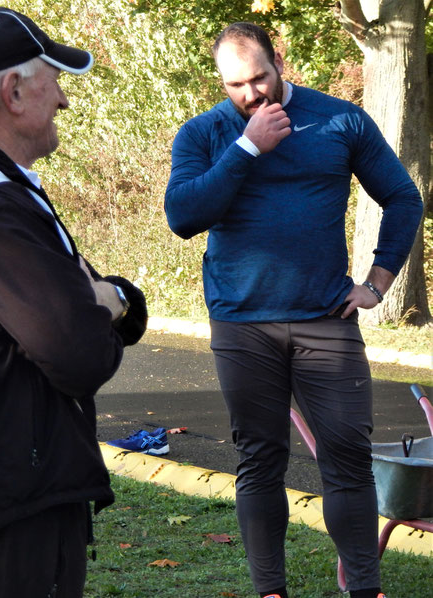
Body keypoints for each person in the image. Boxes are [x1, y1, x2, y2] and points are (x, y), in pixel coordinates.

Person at [165, 22, 423, 598]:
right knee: (260, 461)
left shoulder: (341, 120)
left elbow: (404, 197)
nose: (252, 93)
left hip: (326, 322)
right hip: (241, 323)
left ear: (278, 60)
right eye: (237, 85)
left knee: (348, 459)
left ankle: (364, 589)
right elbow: (183, 216)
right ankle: (270, 592)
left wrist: (378, 283)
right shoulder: (205, 133)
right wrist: (248, 146)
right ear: (222, 84)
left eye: (259, 76)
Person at [0, 7, 147, 598]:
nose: (65, 100)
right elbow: (82, 357)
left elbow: (97, 302)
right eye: (56, 80)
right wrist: (109, 303)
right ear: (14, 91)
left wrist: (112, 298)